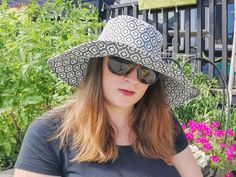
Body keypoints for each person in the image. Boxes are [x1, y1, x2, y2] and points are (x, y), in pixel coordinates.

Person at [14, 15, 202, 177]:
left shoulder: (164, 124)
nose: (133, 80)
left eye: (146, 72)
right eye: (121, 64)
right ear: (97, 66)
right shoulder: (50, 134)